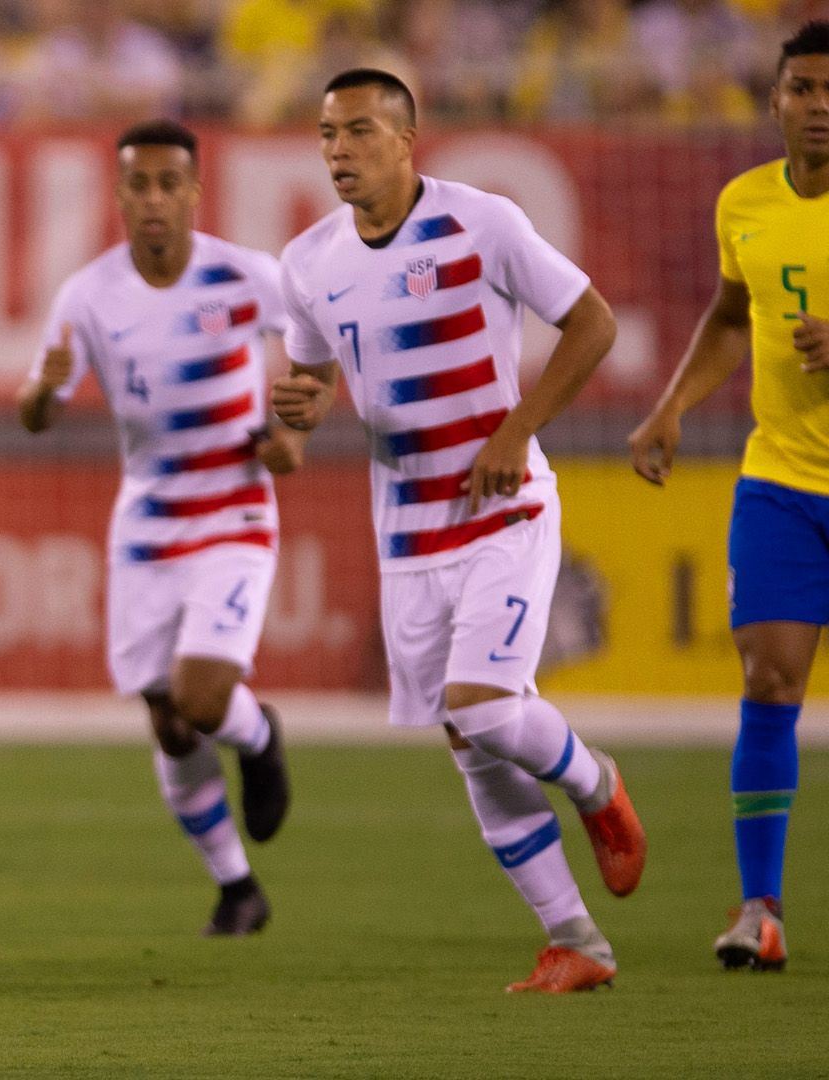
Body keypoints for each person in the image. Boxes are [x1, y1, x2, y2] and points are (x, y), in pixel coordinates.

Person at [272, 69, 646, 992]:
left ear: (407, 139)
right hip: (406, 535)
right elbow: (313, 379)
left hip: (503, 511)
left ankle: (596, 783)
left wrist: (518, 431)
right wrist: (297, 409)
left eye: (358, 131)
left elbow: (591, 323)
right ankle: (577, 942)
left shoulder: (484, 222)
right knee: (469, 741)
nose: (338, 151)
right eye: (327, 135)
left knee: (483, 703)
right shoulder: (308, 263)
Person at [18, 119, 300, 937]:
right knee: (169, 719)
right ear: (118, 195)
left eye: (168, 184)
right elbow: (39, 412)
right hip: (146, 521)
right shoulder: (88, 295)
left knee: (204, 696)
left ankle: (258, 734)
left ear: (194, 192)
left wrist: (294, 431)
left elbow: (311, 351)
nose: (152, 200)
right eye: (137, 185)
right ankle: (237, 886)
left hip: (235, 508)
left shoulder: (246, 276)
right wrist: (45, 392)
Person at [628, 19, 829, 974]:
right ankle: (760, 909)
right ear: (777, 99)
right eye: (803, 89)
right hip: (783, 480)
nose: (819, 106)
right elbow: (729, 314)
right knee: (768, 683)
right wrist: (669, 408)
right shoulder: (743, 202)